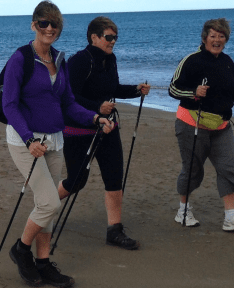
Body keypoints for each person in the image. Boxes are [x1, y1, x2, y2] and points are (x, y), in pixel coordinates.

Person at [3, 2, 113, 287]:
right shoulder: (20, 58)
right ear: (33, 25)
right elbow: (10, 105)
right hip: (25, 142)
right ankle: (21, 250)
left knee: (47, 206)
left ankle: (43, 262)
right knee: (50, 203)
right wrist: (28, 139)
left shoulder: (59, 60)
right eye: (43, 23)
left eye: (55, 24)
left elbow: (67, 104)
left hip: (55, 140)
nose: (49, 28)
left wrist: (93, 119)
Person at [61, 16, 150, 250]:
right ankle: (45, 205)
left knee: (114, 178)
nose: (113, 42)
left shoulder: (110, 60)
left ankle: (115, 231)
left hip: (108, 128)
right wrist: (96, 107)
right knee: (76, 181)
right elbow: (68, 97)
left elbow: (112, 89)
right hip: (79, 130)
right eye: (109, 37)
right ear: (94, 37)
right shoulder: (79, 61)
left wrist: (135, 90)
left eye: (115, 38)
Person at [168, 18, 234, 231]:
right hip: (191, 123)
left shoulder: (227, 62)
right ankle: (183, 210)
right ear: (205, 38)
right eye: (213, 36)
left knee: (228, 168)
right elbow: (173, 89)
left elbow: (232, 90)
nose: (217, 40)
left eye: (221, 36)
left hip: (221, 126)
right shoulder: (191, 61)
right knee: (192, 170)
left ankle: (231, 217)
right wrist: (194, 93)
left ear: (226, 39)